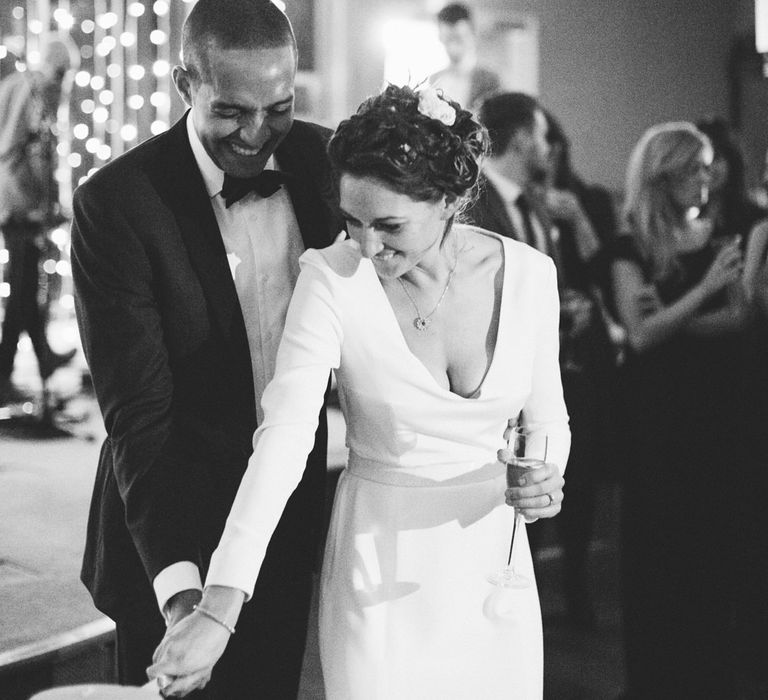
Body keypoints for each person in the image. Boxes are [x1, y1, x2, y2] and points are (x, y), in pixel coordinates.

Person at [147, 84, 570, 699]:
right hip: (377, 564)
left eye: (389, 225)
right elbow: (283, 443)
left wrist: (546, 478)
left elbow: (549, 421)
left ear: (450, 199)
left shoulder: (531, 275)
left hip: (493, 570)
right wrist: (219, 607)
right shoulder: (332, 278)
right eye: (352, 220)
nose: (367, 246)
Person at [70, 1, 341, 697]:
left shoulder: (325, 164)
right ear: (183, 83)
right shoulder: (118, 204)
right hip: (169, 525)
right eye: (231, 111)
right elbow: (140, 416)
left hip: (283, 518)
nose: (257, 134)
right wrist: (187, 599)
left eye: (277, 107)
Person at [609, 122, 748, 699]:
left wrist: (670, 316)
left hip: (715, 408)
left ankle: (709, 672)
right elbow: (639, 338)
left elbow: (737, 319)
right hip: (655, 414)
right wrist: (702, 290)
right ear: (663, 177)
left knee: (712, 541)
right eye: (694, 169)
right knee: (657, 541)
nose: (706, 179)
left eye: (709, 167)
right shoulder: (630, 245)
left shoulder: (720, 235)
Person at [0, 38, 78, 404]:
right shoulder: (26, 92)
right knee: (21, 292)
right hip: (15, 209)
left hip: (23, 208)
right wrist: (28, 208)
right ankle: (4, 375)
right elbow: (10, 153)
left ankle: (40, 359)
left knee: (26, 289)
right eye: (61, 75)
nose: (62, 86)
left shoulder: (32, 91)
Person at [430, 3, 501, 113]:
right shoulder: (435, 80)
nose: (452, 46)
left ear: (473, 35)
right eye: (447, 38)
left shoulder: (490, 80)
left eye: (458, 38)